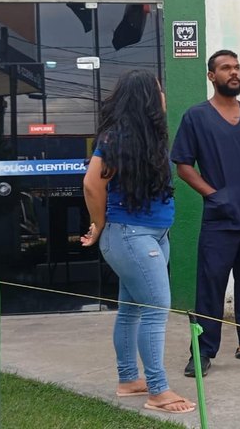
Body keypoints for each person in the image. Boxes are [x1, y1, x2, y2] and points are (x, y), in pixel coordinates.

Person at [81, 70, 195, 414]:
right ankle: (158, 390)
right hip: (130, 235)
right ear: (147, 96)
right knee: (157, 310)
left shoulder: (148, 137)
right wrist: (99, 224)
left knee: (131, 311)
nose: (163, 96)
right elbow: (91, 184)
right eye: (159, 90)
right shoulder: (115, 138)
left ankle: (129, 379)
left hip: (153, 235)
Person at [171, 49, 240, 377]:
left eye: (236, 67)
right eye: (225, 68)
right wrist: (213, 196)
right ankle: (202, 352)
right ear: (211, 76)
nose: (233, 72)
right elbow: (183, 166)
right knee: (211, 286)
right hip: (220, 220)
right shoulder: (197, 117)